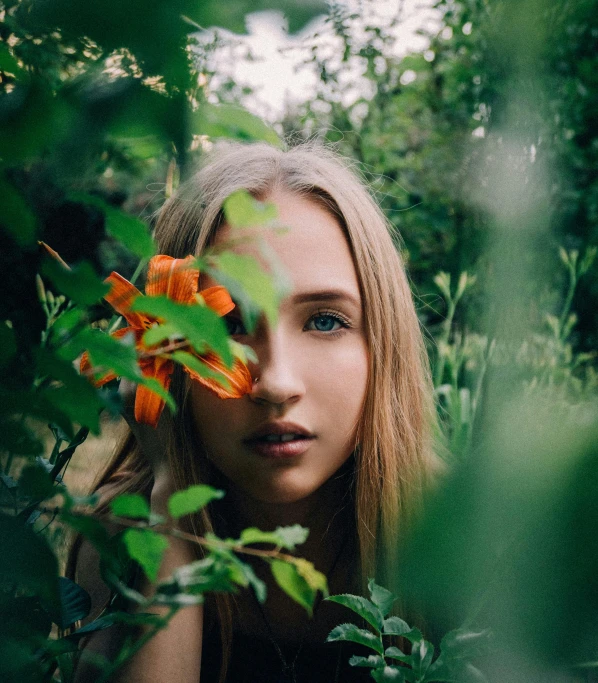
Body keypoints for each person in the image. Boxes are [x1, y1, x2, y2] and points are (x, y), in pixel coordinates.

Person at [69, 141, 439, 683]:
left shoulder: (461, 539)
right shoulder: (121, 532)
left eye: (326, 321)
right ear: (160, 352)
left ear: (383, 344)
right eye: (227, 325)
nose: (277, 384)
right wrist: (171, 504)